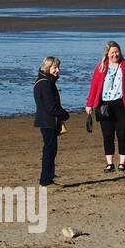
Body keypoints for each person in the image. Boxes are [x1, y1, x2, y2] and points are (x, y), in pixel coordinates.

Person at [85, 40, 125, 172]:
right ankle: (109, 164)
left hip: (122, 105)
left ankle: (122, 163)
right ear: (107, 54)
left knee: (122, 134)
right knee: (107, 135)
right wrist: (89, 104)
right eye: (112, 52)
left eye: (117, 52)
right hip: (104, 105)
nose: (115, 55)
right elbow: (94, 87)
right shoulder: (101, 67)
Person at [33, 55, 69, 186]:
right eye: (55, 67)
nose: (57, 70)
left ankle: (48, 177)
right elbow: (51, 106)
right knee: (49, 151)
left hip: (47, 121)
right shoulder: (45, 83)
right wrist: (64, 114)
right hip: (48, 122)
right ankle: (45, 180)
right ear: (47, 67)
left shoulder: (45, 81)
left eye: (58, 67)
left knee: (51, 150)